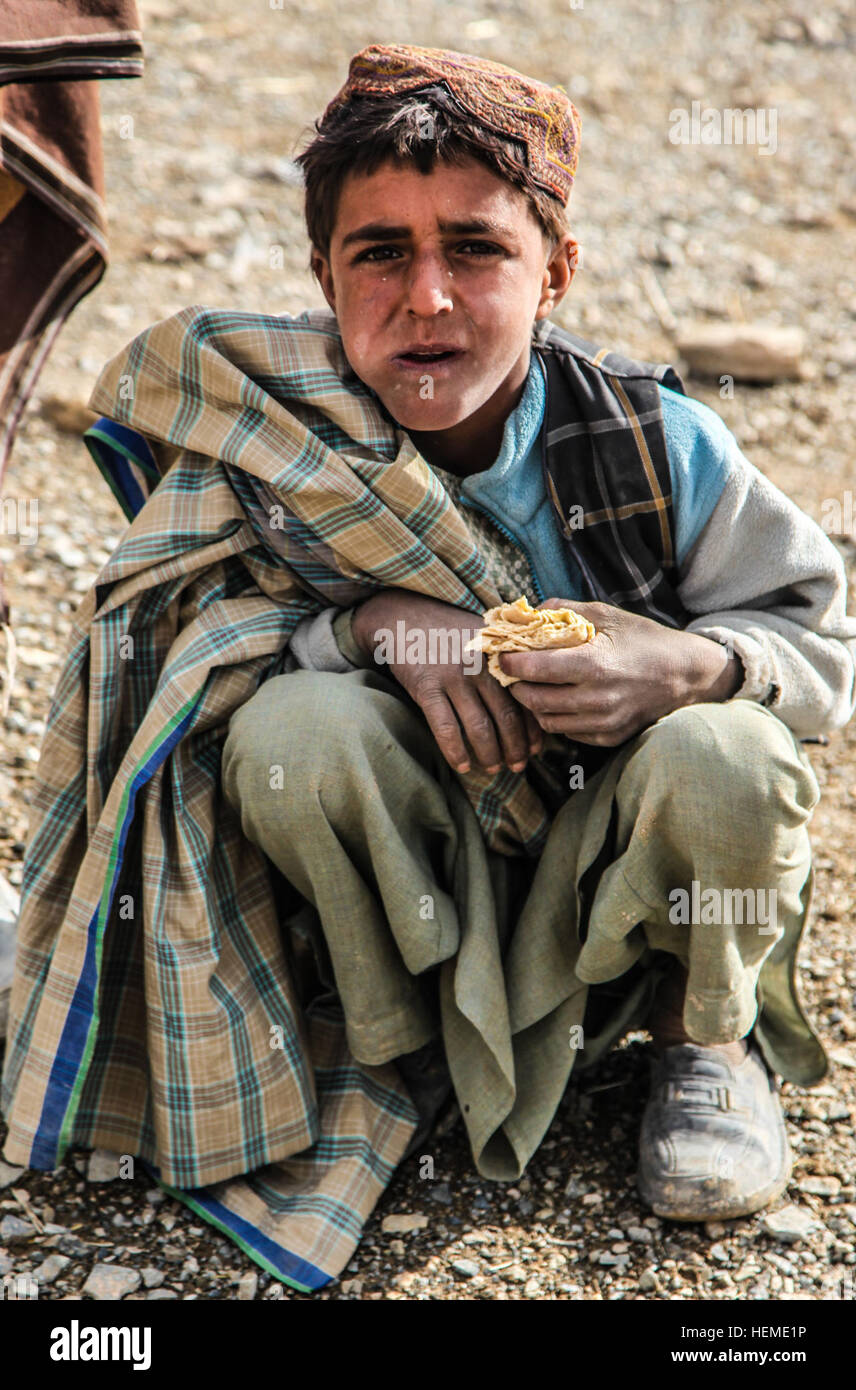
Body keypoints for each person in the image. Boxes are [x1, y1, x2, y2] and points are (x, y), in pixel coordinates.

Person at [3, 44, 855, 1292]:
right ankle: (394, 1051)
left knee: (730, 753)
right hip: (410, 878)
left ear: (554, 272)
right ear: (320, 274)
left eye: (475, 249)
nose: (428, 298)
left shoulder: (658, 443)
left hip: (613, 878)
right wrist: (366, 627)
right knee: (289, 734)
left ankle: (700, 1041)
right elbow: (184, 646)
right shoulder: (275, 435)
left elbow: (822, 650)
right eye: (379, 253)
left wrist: (686, 664)